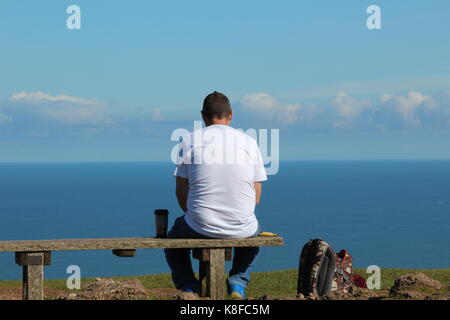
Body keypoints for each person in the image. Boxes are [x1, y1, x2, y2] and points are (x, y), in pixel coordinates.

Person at [164, 91, 267, 299]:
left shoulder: (189, 141)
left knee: (173, 239)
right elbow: (256, 197)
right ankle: (238, 282)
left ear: (203, 116)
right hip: (242, 226)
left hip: (199, 224)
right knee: (255, 231)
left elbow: (180, 191)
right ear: (231, 115)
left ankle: (189, 287)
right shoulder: (249, 142)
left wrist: (194, 214)